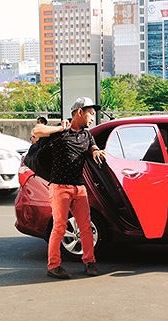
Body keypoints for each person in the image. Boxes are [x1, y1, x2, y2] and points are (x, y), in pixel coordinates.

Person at [32, 96, 106, 279]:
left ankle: (90, 263)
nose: (92, 117)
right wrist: (59, 127)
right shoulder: (60, 132)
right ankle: (54, 266)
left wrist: (96, 151)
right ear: (79, 112)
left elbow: (93, 147)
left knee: (86, 227)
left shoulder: (87, 135)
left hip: (79, 188)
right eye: (90, 113)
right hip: (59, 188)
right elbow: (37, 130)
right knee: (59, 226)